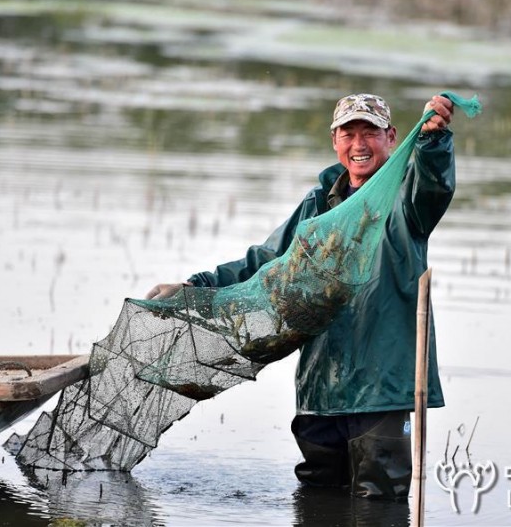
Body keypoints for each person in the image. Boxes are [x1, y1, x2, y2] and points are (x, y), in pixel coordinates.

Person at [147, 93, 456, 500]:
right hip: (320, 387)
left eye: (370, 133)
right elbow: (269, 261)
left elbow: (434, 185)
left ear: (392, 137)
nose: (359, 145)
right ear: (335, 140)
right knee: (317, 499)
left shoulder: (406, 199)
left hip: (383, 388)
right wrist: (198, 285)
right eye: (349, 134)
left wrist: (434, 141)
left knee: (380, 502)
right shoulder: (317, 204)